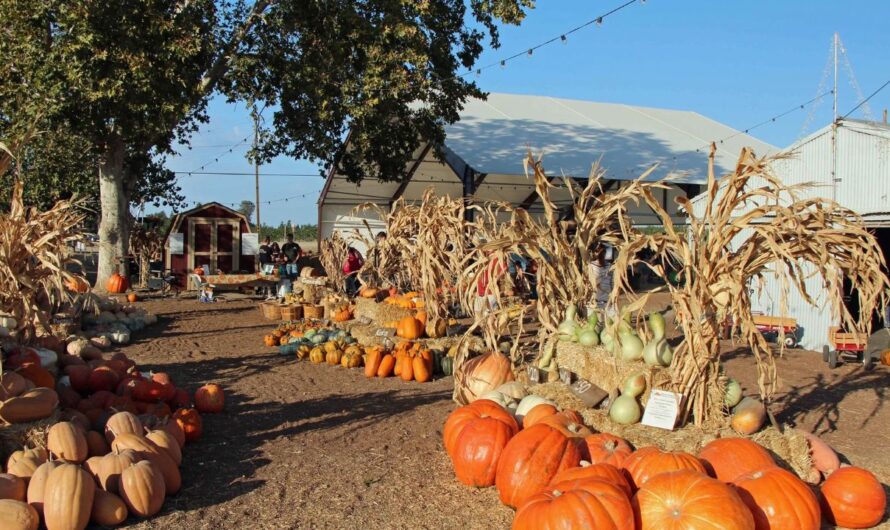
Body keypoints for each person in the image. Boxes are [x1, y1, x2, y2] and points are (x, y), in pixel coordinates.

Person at [474, 251, 506, 317]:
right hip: (480, 287)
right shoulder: (481, 258)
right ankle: (480, 324)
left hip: (491, 288)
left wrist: (497, 277)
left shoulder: (495, 258)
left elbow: (504, 268)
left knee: (494, 308)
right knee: (477, 309)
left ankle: (493, 324)